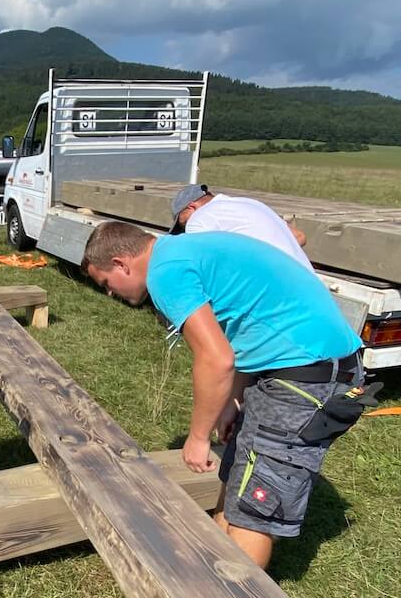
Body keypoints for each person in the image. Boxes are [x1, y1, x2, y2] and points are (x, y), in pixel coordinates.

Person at [82, 221, 372, 571]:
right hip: (296, 365)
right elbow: (246, 331)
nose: (110, 293)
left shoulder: (164, 273)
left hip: (308, 374)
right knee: (238, 473)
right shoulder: (181, 252)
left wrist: (198, 437)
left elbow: (216, 359)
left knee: (254, 507)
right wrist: (231, 404)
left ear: (121, 263)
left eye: (106, 283)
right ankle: (213, 573)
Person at [170, 184, 312, 269]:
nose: (185, 230)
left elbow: (200, 263)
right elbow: (299, 236)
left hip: (276, 291)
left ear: (191, 207)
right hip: (310, 285)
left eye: (183, 224)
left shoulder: (199, 218)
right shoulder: (250, 204)